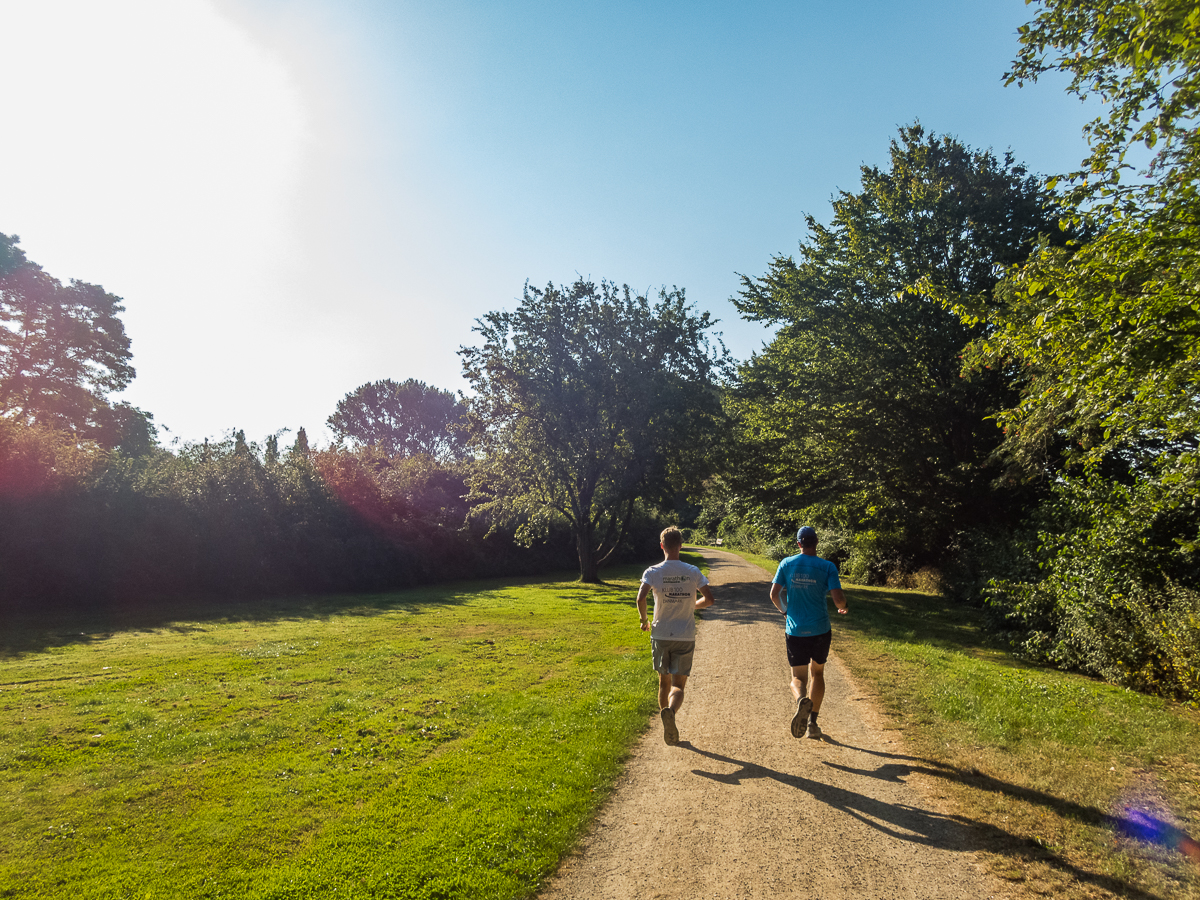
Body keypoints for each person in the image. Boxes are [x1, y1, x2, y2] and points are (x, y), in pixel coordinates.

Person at [636, 526, 716, 745]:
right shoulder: (692, 571)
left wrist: (644, 621)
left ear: (662, 545)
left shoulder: (653, 571)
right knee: (678, 685)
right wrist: (692, 606)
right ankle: (671, 711)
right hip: (685, 634)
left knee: (664, 683)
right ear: (680, 545)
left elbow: (640, 599)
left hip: (661, 633)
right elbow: (709, 599)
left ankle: (666, 722)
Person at [769, 526, 847, 740]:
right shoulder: (827, 566)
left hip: (795, 629)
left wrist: (785, 612)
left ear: (799, 543)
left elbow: (774, 594)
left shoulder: (787, 564)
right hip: (820, 629)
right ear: (817, 542)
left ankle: (801, 699)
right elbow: (838, 598)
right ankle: (812, 724)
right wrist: (843, 606)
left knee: (797, 677)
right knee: (818, 673)